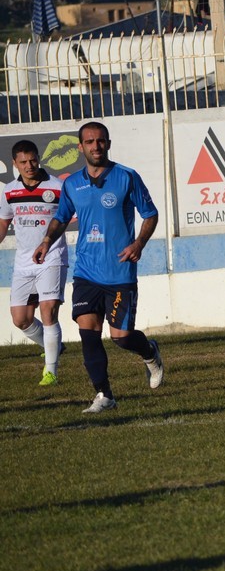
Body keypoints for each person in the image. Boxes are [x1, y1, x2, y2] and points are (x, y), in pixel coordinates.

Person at [32, 122, 162, 413]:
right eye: (89, 142)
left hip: (119, 272)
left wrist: (139, 243)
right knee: (88, 331)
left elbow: (150, 214)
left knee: (121, 338)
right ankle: (104, 395)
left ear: (108, 143)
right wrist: (46, 242)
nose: (95, 146)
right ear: (80, 147)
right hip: (86, 272)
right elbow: (61, 217)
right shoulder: (72, 184)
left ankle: (149, 351)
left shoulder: (127, 177)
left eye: (100, 141)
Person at [0, 140, 68, 385]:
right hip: (23, 262)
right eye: (23, 162)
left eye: (32, 160)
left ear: (38, 158)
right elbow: (4, 221)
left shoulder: (58, 186)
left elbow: (67, 217)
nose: (29, 166)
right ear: (15, 164)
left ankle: (51, 371)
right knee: (21, 319)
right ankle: (54, 346)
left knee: (48, 309)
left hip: (52, 257)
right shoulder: (9, 191)